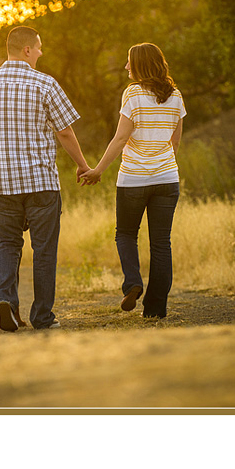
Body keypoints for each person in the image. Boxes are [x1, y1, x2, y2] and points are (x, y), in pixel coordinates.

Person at [0, 25, 91, 331]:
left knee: (5, 243)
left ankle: (4, 298)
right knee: (44, 249)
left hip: (1, 185)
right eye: (40, 47)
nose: (42, 53)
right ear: (27, 50)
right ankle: (42, 317)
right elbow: (65, 131)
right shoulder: (45, 84)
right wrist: (83, 165)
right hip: (42, 184)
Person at [79, 43, 186, 319]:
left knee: (125, 234)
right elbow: (175, 142)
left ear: (140, 65)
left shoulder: (133, 94)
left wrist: (98, 169)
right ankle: (155, 310)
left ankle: (133, 283)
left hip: (133, 180)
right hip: (167, 178)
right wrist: (160, 164)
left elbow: (121, 138)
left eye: (129, 62)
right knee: (161, 243)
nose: (127, 67)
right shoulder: (176, 96)